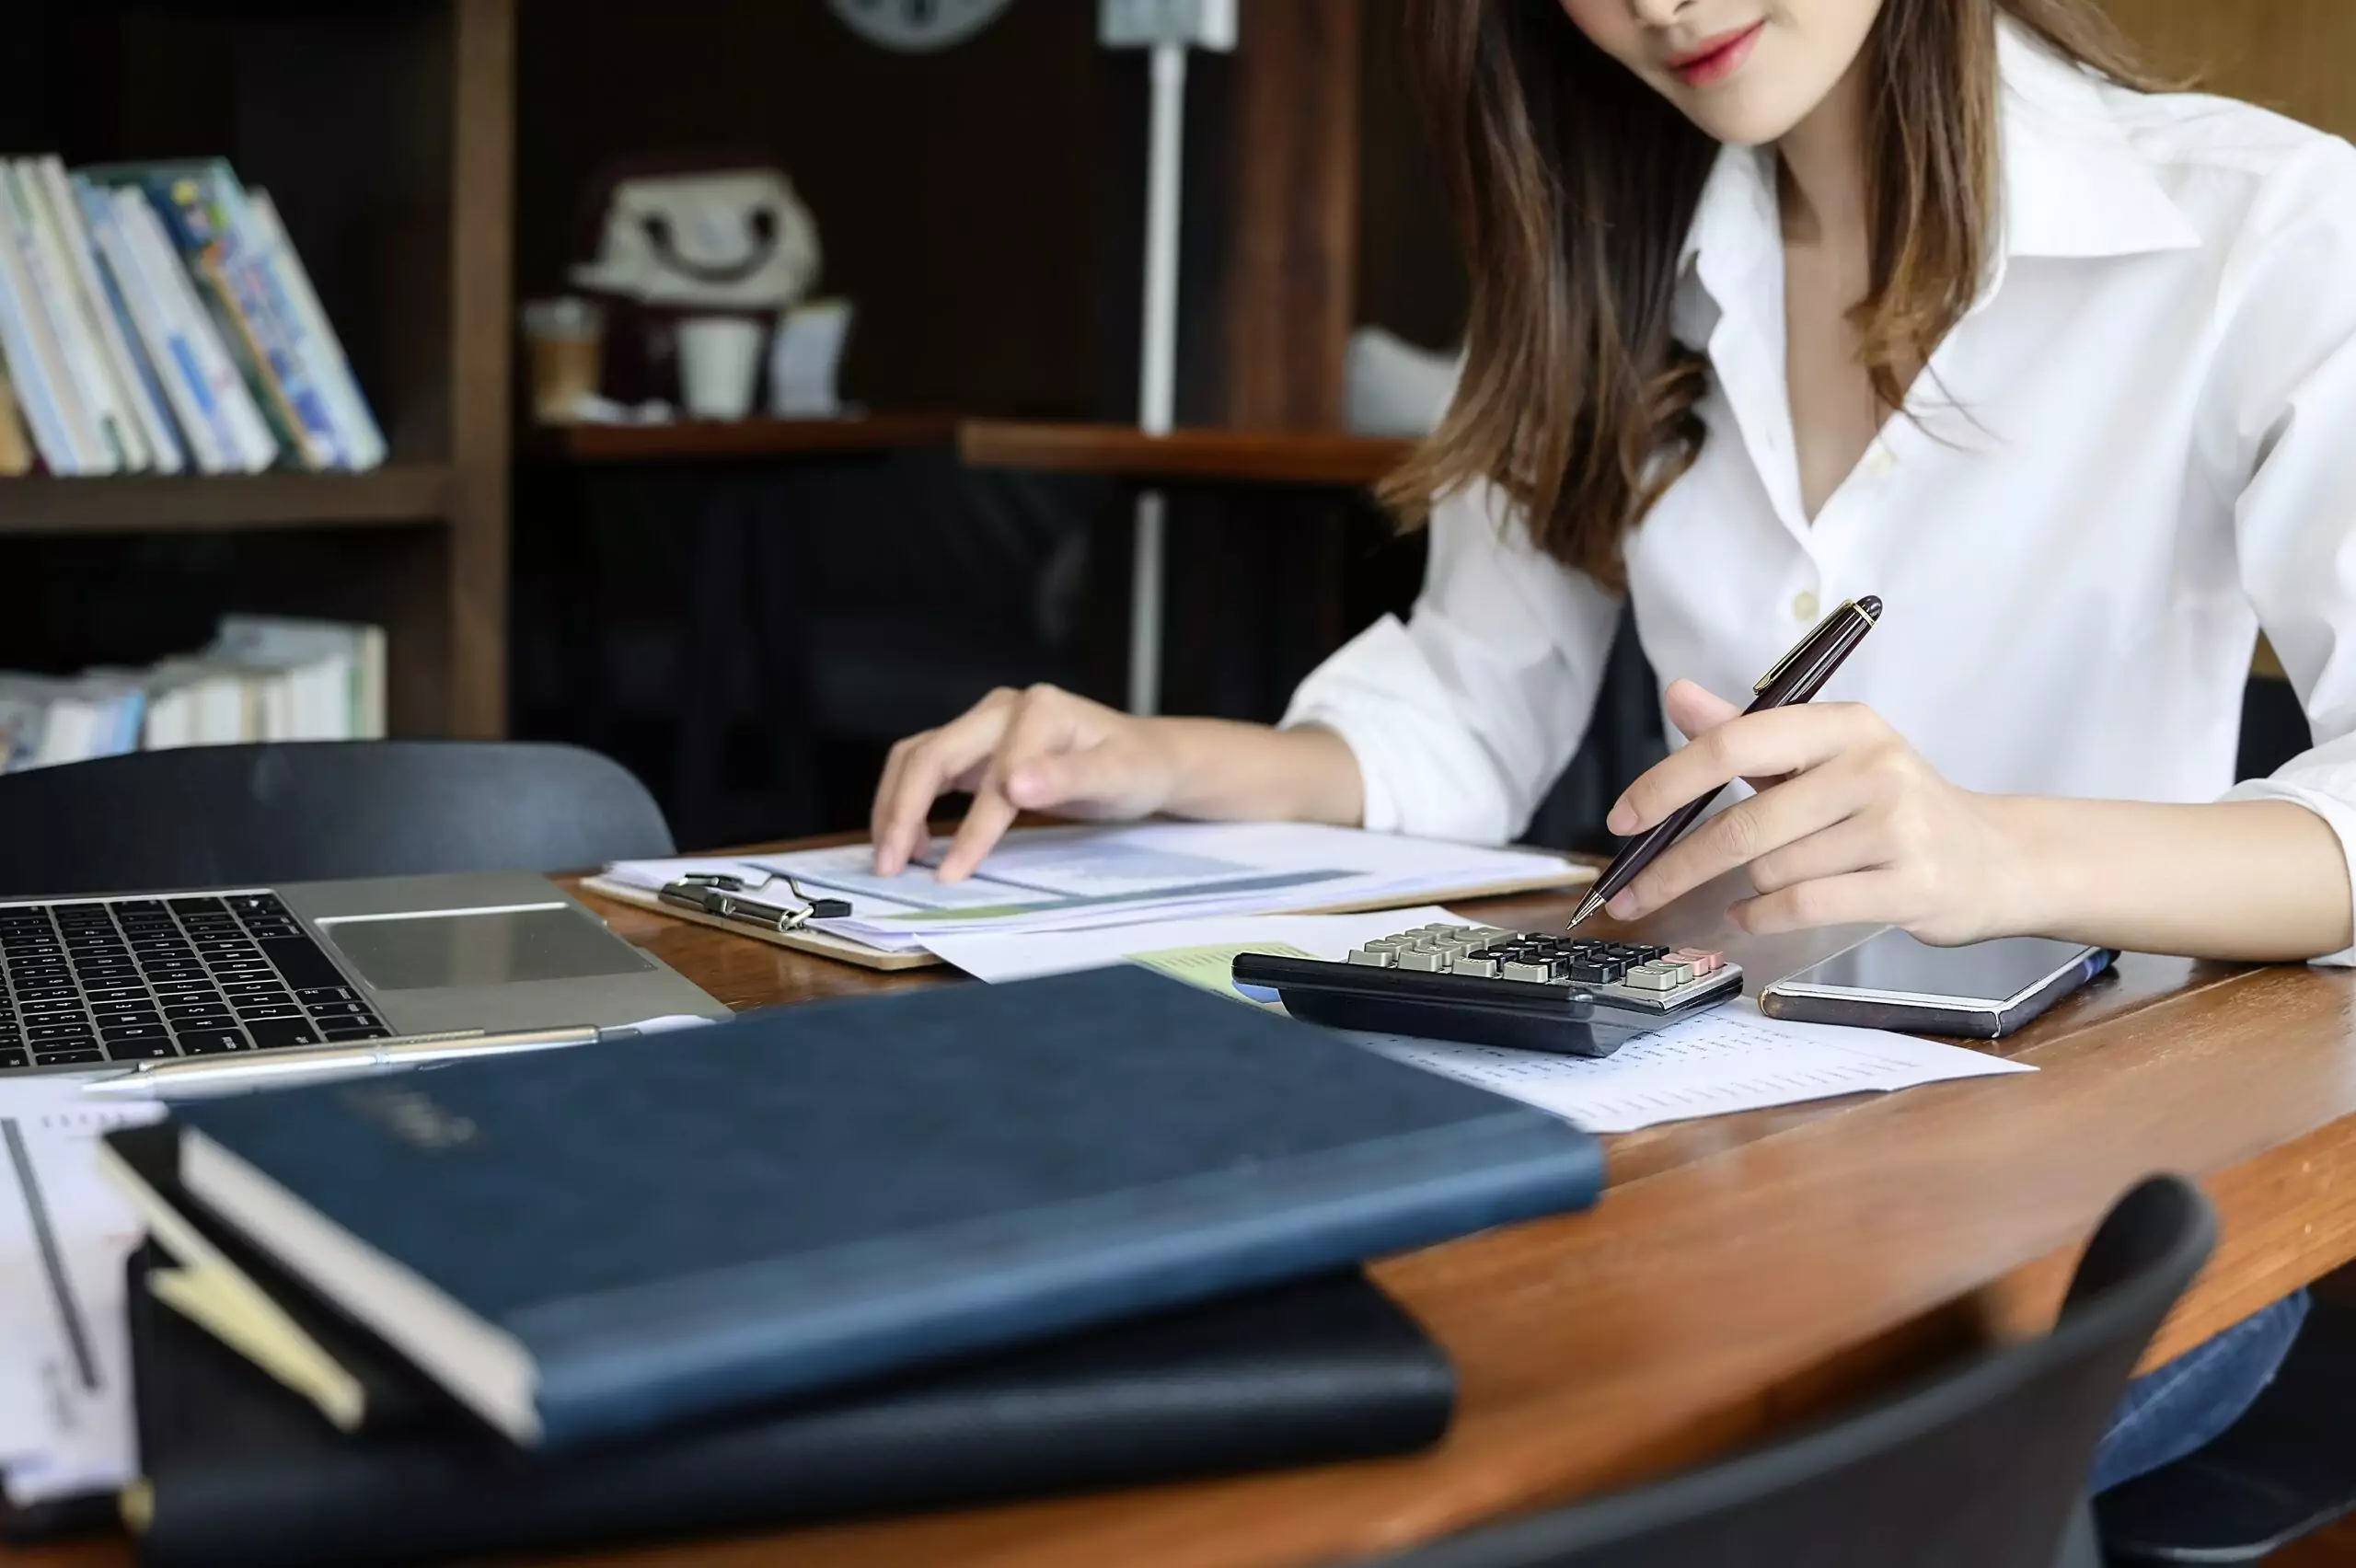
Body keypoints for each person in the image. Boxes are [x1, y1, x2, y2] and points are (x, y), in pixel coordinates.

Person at [872, 0, 2350, 1489]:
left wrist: (1993, 849)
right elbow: (1461, 711)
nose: (1661, 3)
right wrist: (1156, 764)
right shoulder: (1602, 242)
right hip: (1698, 1147)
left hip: (2101, 1184)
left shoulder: (2260, 226)